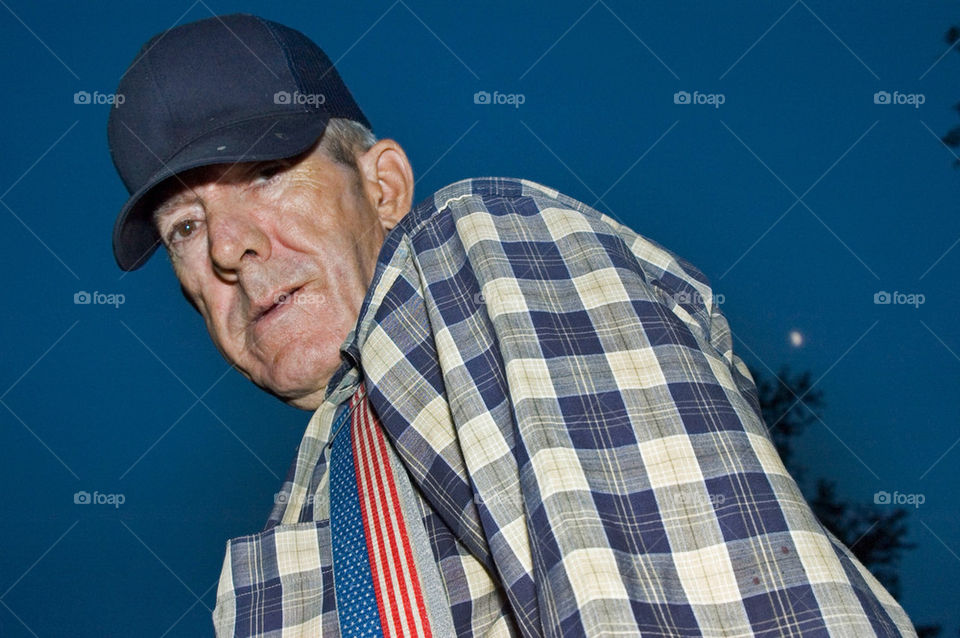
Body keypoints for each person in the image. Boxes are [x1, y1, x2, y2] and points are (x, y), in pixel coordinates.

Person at [107, 13, 916, 638]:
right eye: (184, 226)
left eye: (266, 173)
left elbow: (702, 599)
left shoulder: (473, 252)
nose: (225, 247)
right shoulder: (309, 495)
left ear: (383, 185)